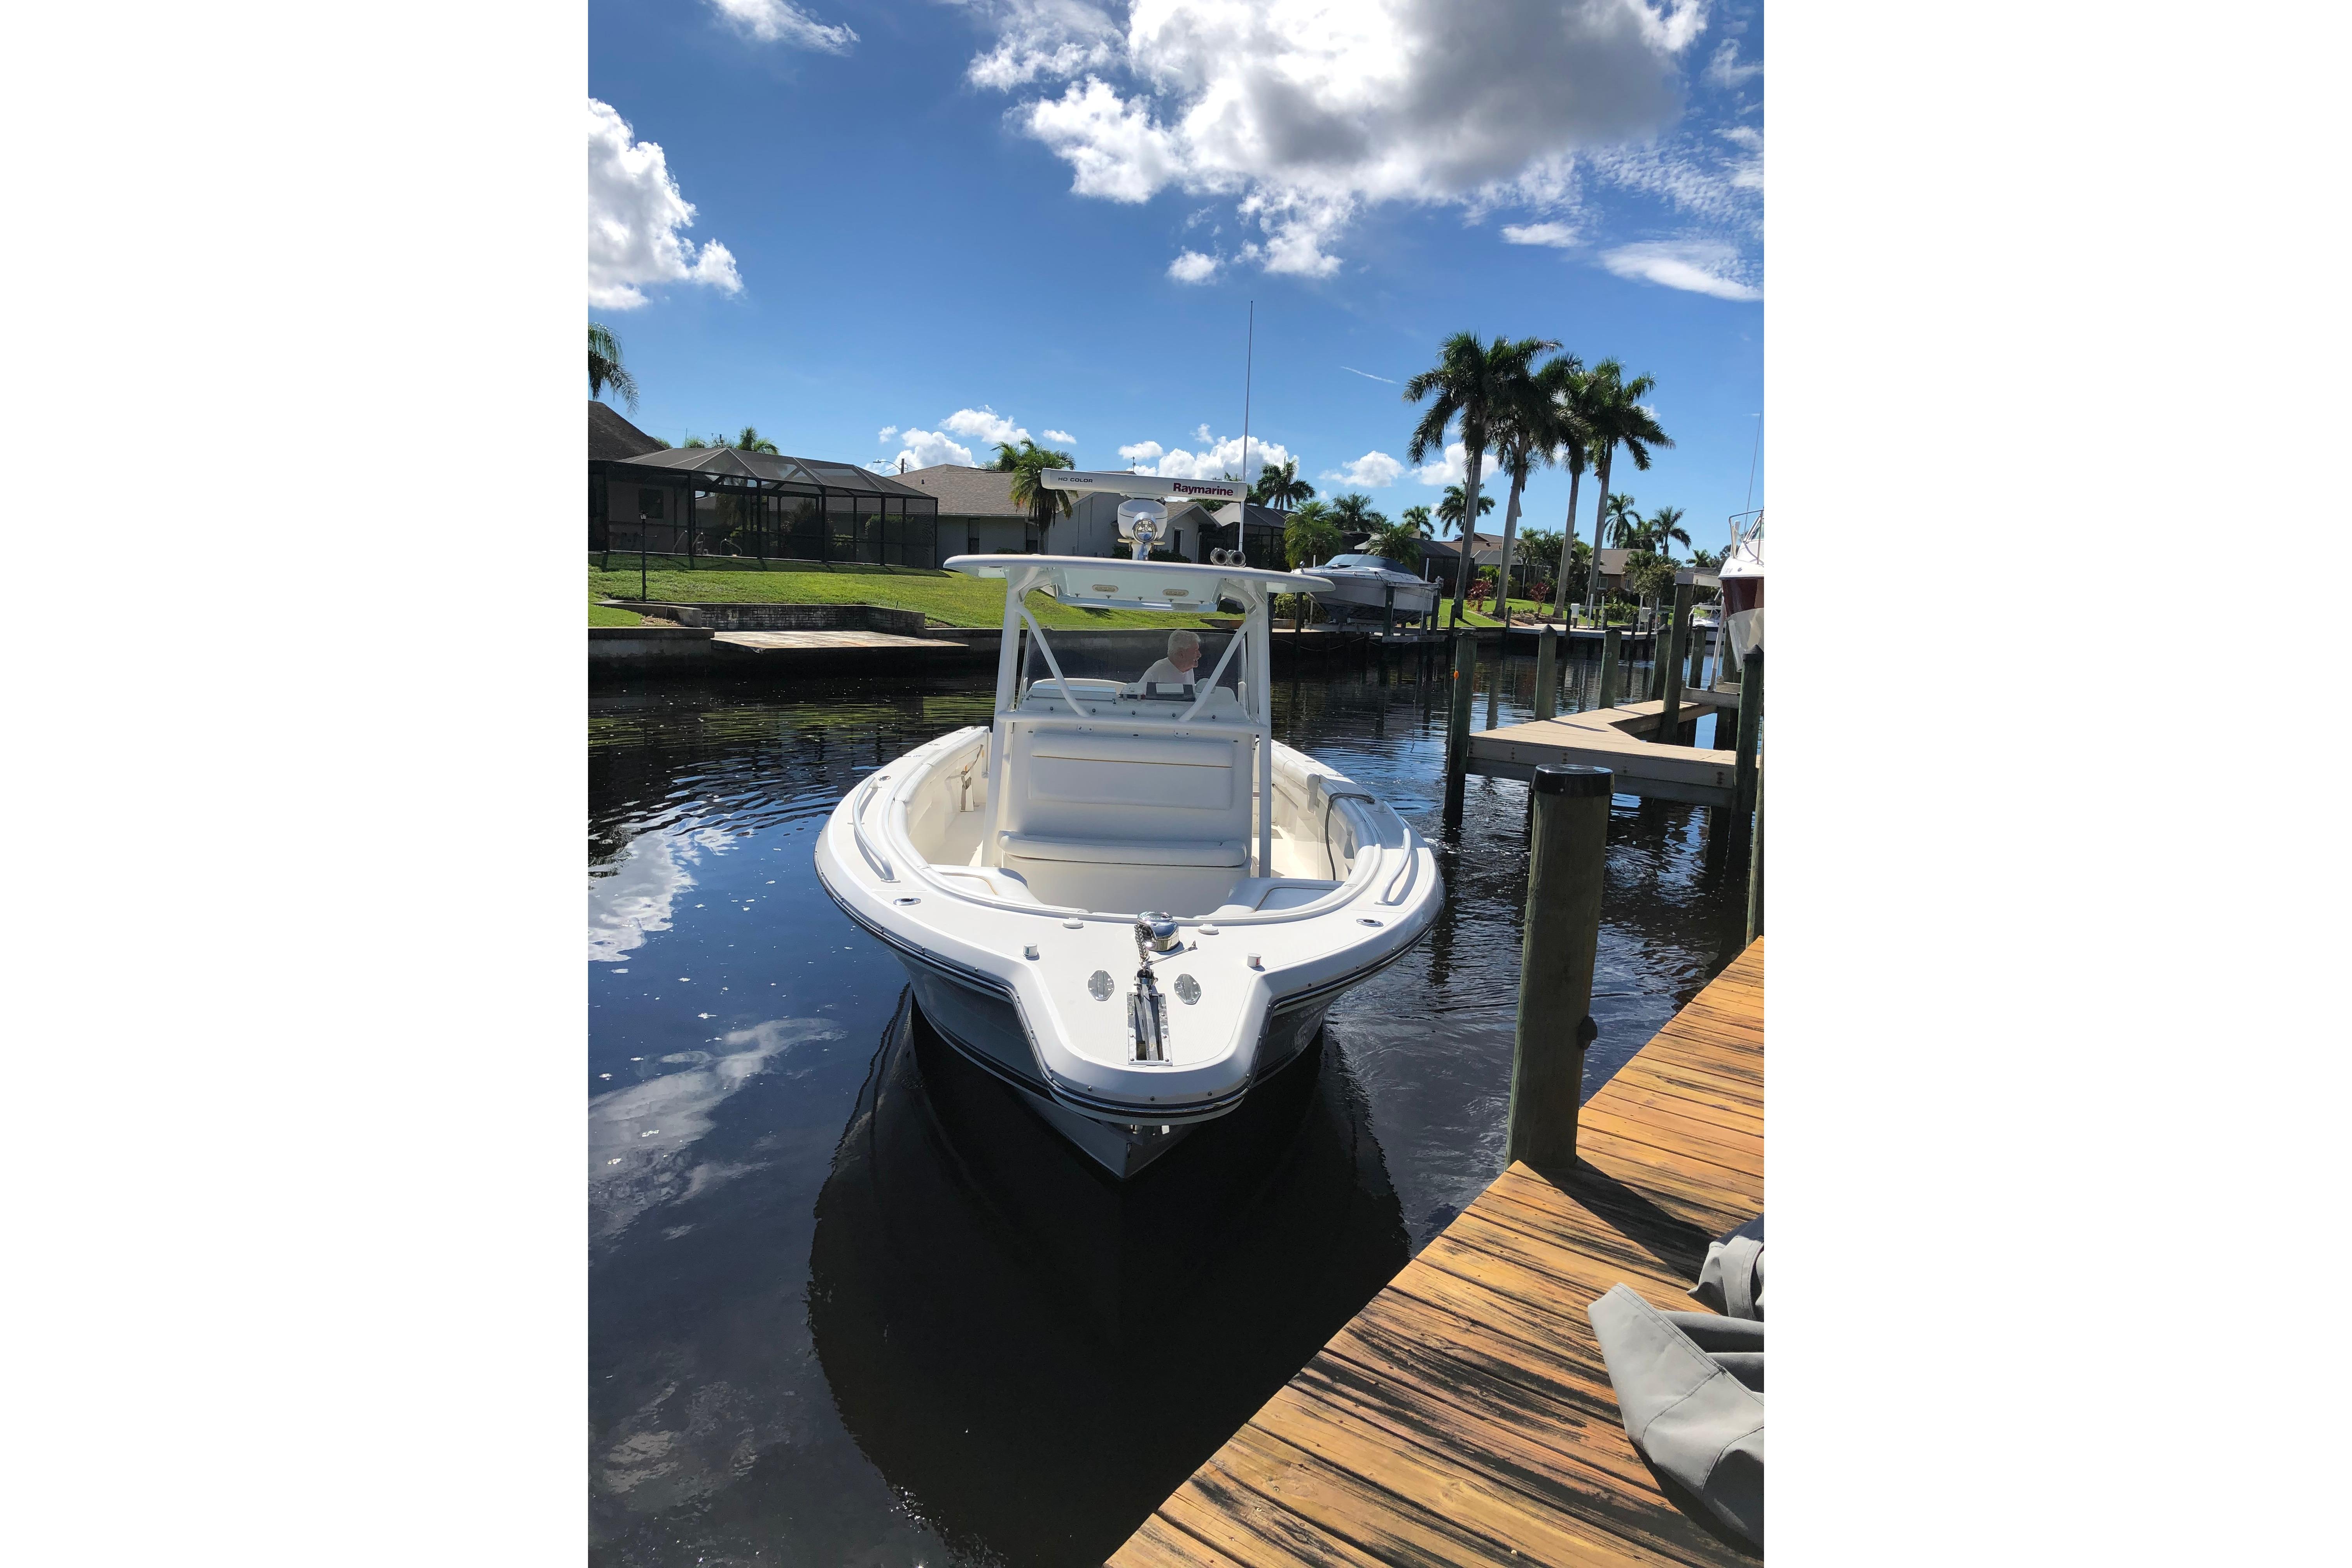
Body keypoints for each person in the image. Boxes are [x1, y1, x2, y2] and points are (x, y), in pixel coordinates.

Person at [1133, 630, 1202, 695]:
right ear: (1182, 654)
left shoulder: (1189, 670)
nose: (1199, 655)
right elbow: (1136, 697)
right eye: (1196, 651)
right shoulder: (1157, 672)